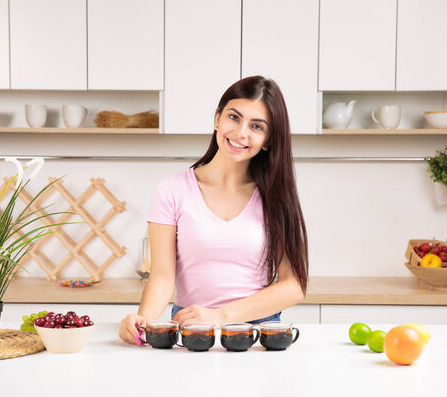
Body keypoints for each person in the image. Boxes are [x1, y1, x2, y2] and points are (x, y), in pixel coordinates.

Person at [119, 76, 308, 344]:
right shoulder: (173, 189)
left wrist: (220, 315)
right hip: (192, 331)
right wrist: (143, 321)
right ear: (217, 118)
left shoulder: (275, 196)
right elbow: (162, 275)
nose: (241, 132)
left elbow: (294, 286)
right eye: (234, 117)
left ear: (267, 140)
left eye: (256, 126)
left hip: (256, 334)